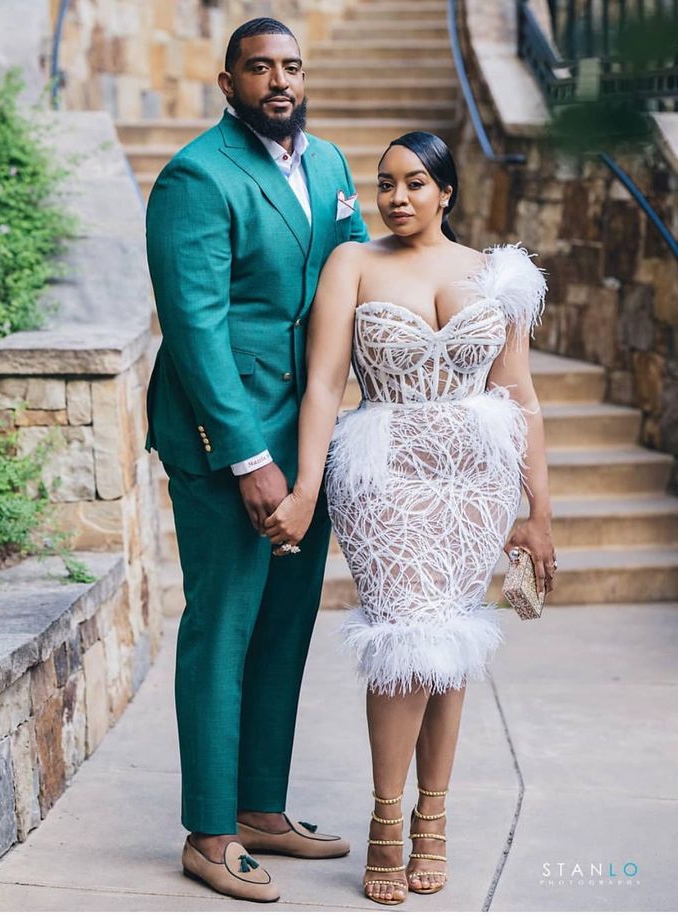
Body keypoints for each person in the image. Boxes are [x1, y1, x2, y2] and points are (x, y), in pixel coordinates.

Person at [264, 132, 557, 905]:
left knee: (449, 636)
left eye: (415, 183)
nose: (396, 197)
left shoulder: (500, 275)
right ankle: (386, 814)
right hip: (383, 469)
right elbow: (325, 384)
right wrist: (304, 485)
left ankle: (434, 815)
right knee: (404, 633)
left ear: (447, 192)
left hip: (475, 479)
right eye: (385, 183)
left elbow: (519, 393)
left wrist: (539, 511)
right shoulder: (353, 263)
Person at [144, 17, 369, 904]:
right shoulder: (197, 176)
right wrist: (246, 458)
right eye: (259, 68)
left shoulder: (332, 166)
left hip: (308, 433)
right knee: (223, 624)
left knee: (285, 622)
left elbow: (347, 280)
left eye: (291, 66)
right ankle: (208, 830)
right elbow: (194, 329)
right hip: (223, 437)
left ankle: (260, 807)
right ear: (228, 81)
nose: (279, 80)